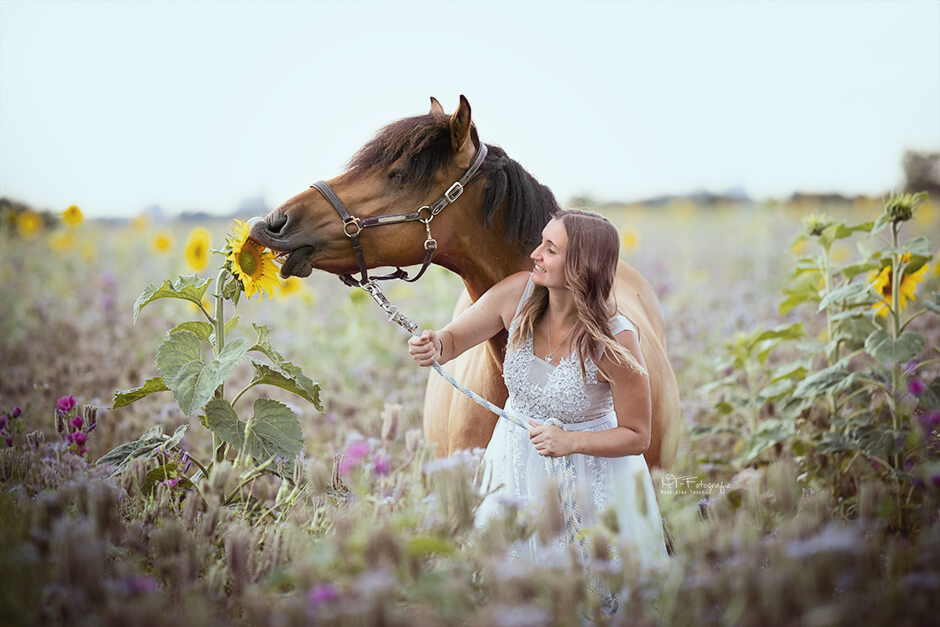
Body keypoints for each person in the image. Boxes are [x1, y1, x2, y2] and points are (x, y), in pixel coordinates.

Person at [408, 208, 667, 569]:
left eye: (550, 249)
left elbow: (638, 435)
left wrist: (571, 442)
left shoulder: (615, 339)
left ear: (581, 265)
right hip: (511, 462)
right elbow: (451, 341)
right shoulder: (517, 294)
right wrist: (434, 344)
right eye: (541, 243)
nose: (535, 255)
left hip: (591, 478)